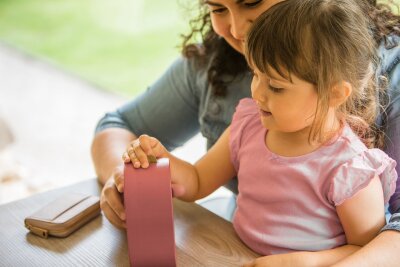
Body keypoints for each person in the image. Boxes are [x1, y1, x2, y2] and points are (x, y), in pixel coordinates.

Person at [92, 0, 400, 265]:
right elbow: (198, 180)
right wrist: (159, 163)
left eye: (276, 86)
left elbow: (365, 251)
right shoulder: (249, 123)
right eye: (255, 74)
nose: (258, 94)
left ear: (335, 94)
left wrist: (311, 262)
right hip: (228, 253)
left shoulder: (351, 170)